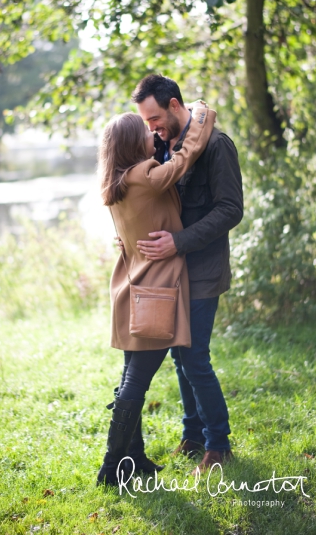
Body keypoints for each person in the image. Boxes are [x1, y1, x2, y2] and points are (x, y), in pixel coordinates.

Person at [96, 102, 216, 485]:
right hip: (156, 291)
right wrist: (201, 115)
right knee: (136, 381)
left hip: (132, 287)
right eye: (144, 130)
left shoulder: (116, 182)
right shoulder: (146, 175)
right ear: (134, 142)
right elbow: (184, 159)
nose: (153, 134)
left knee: (130, 375)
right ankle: (113, 465)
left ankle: (134, 457)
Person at [133, 74, 243, 473]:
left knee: (195, 357)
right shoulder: (164, 150)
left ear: (176, 105)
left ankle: (219, 444)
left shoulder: (216, 145)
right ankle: (193, 435)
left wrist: (178, 243)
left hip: (203, 268)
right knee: (180, 357)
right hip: (170, 273)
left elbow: (231, 209)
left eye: (155, 118)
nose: (152, 128)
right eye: (146, 122)